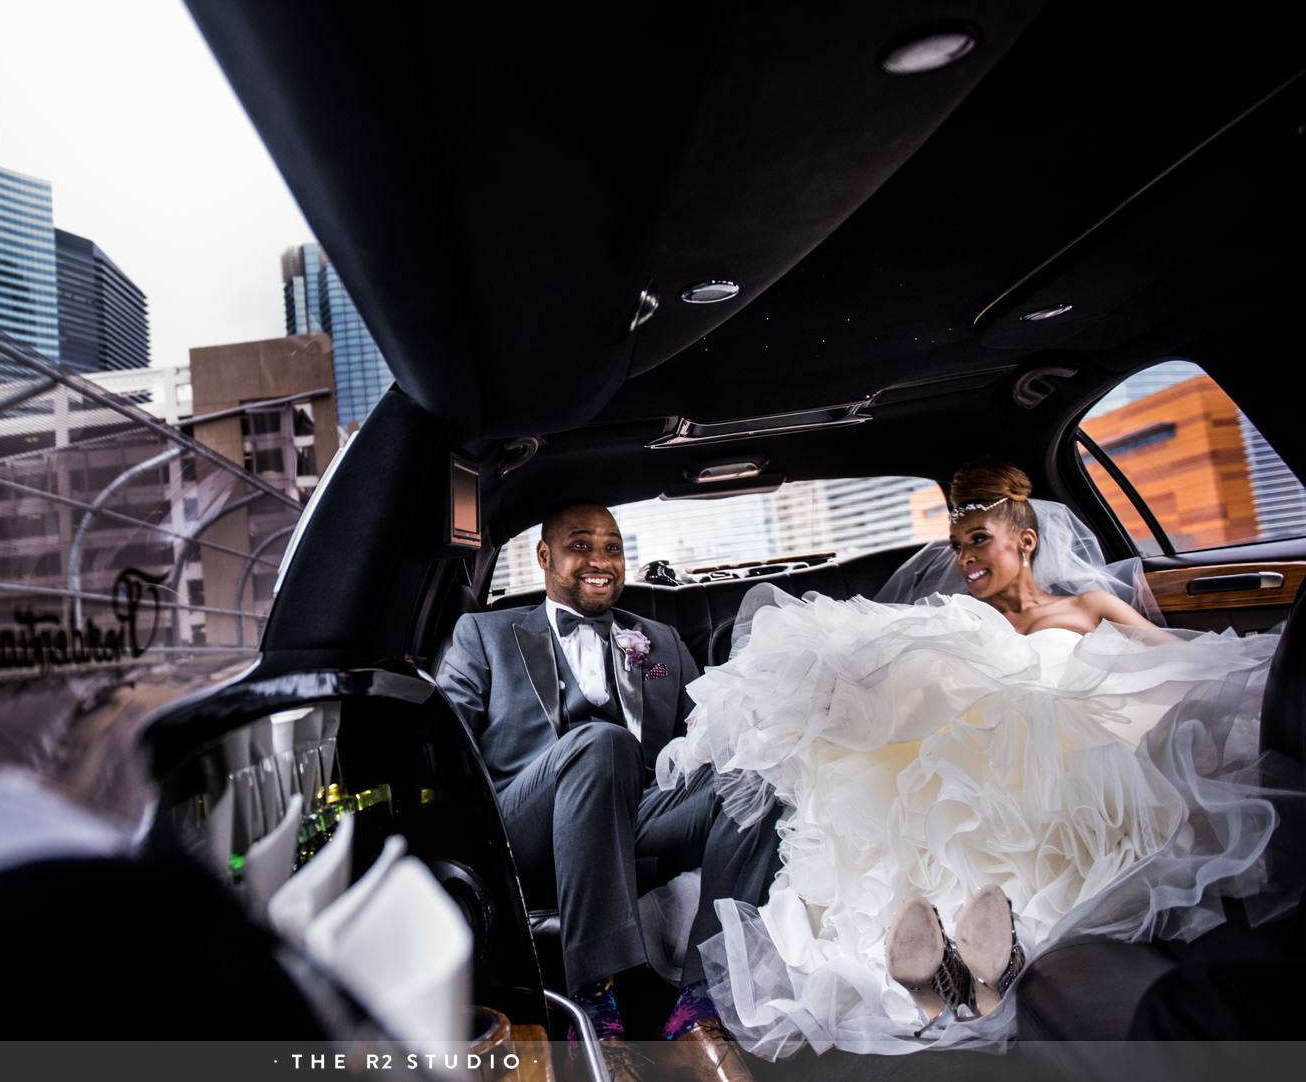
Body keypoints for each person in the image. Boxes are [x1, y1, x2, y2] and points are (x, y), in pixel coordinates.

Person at [656, 459, 1287, 1058]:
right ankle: (949, 960)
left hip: (1086, 767)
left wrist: (1270, 663)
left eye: (979, 539)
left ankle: (983, 959)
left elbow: (1173, 659)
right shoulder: (962, 625)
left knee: (1049, 752)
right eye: (958, 545)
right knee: (940, 769)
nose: (965, 559)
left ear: (1027, 541)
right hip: (984, 774)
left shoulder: (1090, 608)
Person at [437, 502, 779, 1082]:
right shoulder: (484, 633)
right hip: (526, 823)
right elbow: (448, 745)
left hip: (637, 809)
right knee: (603, 742)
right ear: (544, 556)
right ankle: (596, 1011)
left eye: (613, 548)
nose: (600, 561)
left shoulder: (662, 641)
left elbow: (702, 741)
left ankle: (698, 1008)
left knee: (760, 775)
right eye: (581, 546)